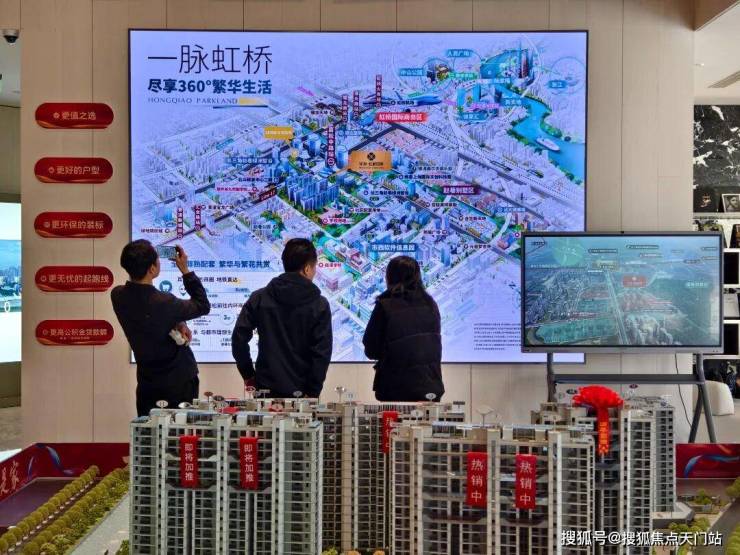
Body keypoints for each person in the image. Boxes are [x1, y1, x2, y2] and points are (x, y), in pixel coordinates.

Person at [111, 240, 210, 416]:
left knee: (147, 429)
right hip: (179, 382)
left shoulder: (118, 295)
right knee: (179, 430)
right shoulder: (165, 302)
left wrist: (179, 322)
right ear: (152, 268)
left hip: (147, 383)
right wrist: (185, 270)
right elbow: (202, 305)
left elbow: (149, 316)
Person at [231, 238, 332, 398]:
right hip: (303, 394)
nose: (314, 272)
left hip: (264, 389)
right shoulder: (319, 305)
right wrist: (312, 391)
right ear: (307, 269)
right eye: (314, 268)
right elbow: (322, 354)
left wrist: (248, 375)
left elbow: (238, 339)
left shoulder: (259, 298)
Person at [363, 255, 444, 402]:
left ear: (390, 277)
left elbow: (371, 349)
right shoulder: (430, 304)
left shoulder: (385, 305)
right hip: (430, 388)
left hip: (395, 389)